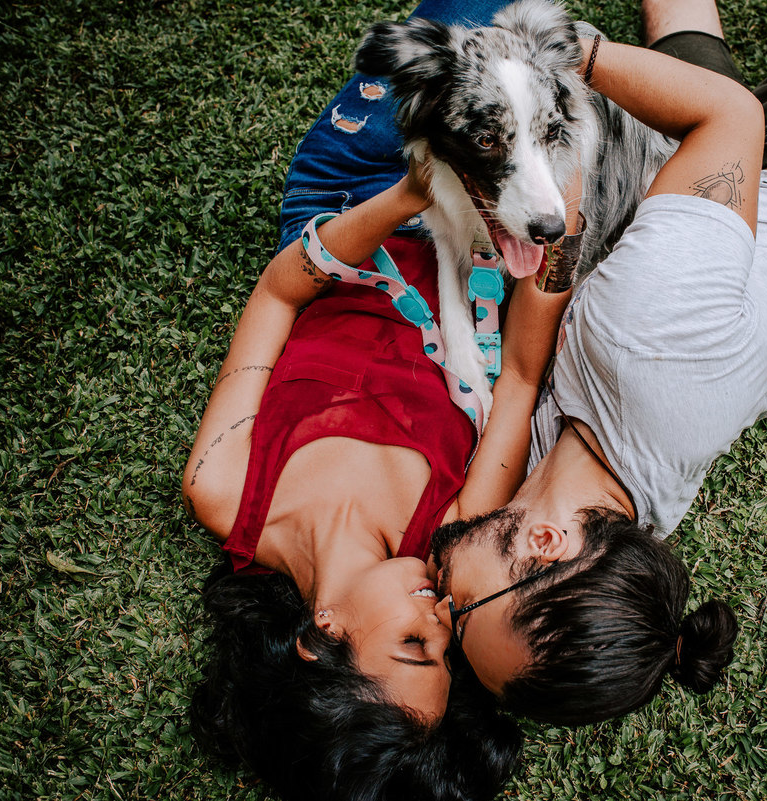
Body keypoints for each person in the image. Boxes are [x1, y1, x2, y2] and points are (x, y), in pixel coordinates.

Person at [430, 0, 767, 726]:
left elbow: (519, 378)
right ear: (545, 543)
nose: (440, 607)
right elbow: (728, 119)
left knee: (673, 14)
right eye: (462, 611)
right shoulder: (648, 348)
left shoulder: (581, 508)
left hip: (671, 203)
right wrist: (564, 52)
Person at [180, 1, 576, 798]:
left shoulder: (224, 491)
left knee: (463, 27)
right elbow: (518, 383)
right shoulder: (452, 536)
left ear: (320, 636)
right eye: (446, 651)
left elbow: (277, 295)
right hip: (481, 249)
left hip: (350, 203)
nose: (442, 620)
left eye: (413, 645)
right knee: (537, 67)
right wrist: (554, 247)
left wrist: (407, 195)